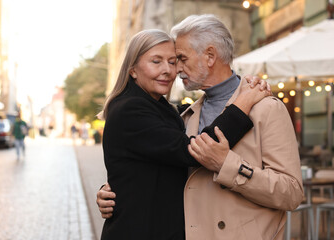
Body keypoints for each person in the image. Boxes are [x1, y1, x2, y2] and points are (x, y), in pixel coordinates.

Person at [97, 14, 304, 239]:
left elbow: (291, 193)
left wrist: (229, 165)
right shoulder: (186, 115)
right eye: (161, 61)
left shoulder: (265, 109)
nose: (174, 70)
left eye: (179, 59)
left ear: (210, 56)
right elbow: (164, 164)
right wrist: (115, 190)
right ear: (133, 69)